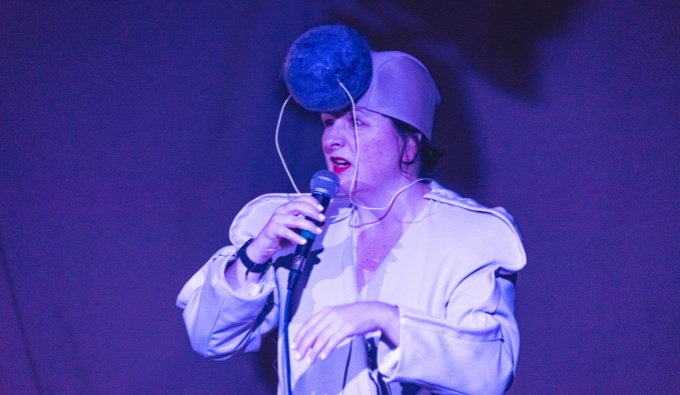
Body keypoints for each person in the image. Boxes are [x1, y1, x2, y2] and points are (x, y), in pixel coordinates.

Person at [177, 45, 526, 394]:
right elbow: (210, 338)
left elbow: (489, 372)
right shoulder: (301, 224)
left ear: (409, 144)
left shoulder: (469, 236)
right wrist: (255, 255)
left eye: (357, 122)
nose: (333, 139)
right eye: (329, 123)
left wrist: (386, 318)